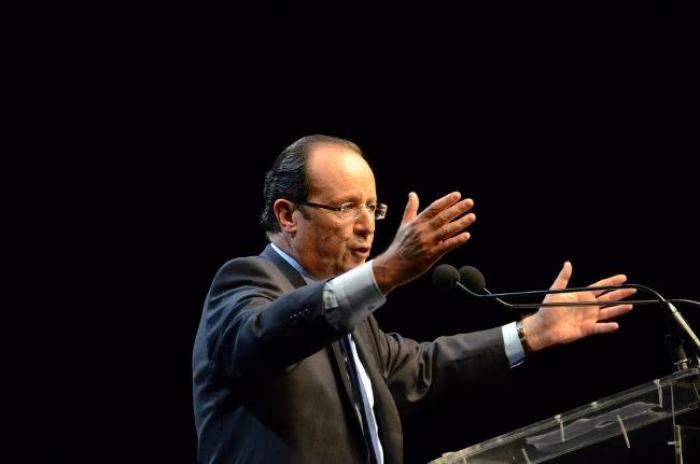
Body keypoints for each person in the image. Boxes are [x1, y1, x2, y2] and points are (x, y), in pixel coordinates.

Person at [192, 135, 636, 463]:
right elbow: (261, 340)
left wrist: (531, 332)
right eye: (346, 207)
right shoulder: (246, 280)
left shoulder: (355, 319)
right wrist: (384, 272)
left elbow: (420, 369)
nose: (367, 225)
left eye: (372, 208)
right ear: (288, 214)